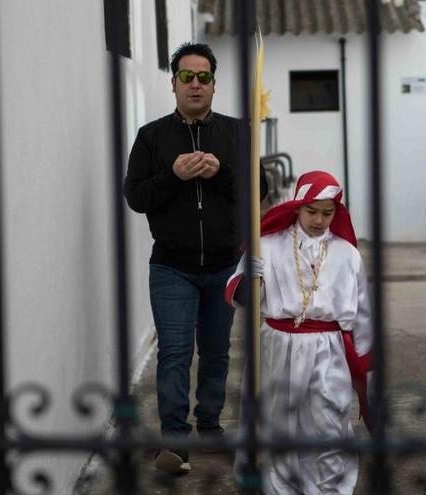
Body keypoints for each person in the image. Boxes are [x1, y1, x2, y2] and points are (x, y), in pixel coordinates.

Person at [123, 42, 266, 475]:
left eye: (204, 77)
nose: (196, 85)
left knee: (217, 352)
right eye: (187, 77)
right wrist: (174, 176)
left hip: (224, 264)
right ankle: (173, 443)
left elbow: (257, 193)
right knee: (175, 351)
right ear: (174, 84)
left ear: (214, 84)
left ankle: (209, 426)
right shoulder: (152, 136)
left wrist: (221, 173)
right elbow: (136, 196)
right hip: (171, 266)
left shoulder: (238, 132)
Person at [225, 171, 373, 495]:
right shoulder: (266, 245)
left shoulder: (347, 254)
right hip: (278, 345)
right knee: (281, 425)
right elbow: (241, 297)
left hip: (328, 348)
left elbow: (361, 311)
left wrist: (364, 361)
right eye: (312, 211)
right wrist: (251, 278)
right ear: (297, 206)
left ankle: (333, 489)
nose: (320, 220)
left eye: (328, 212)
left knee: (330, 423)